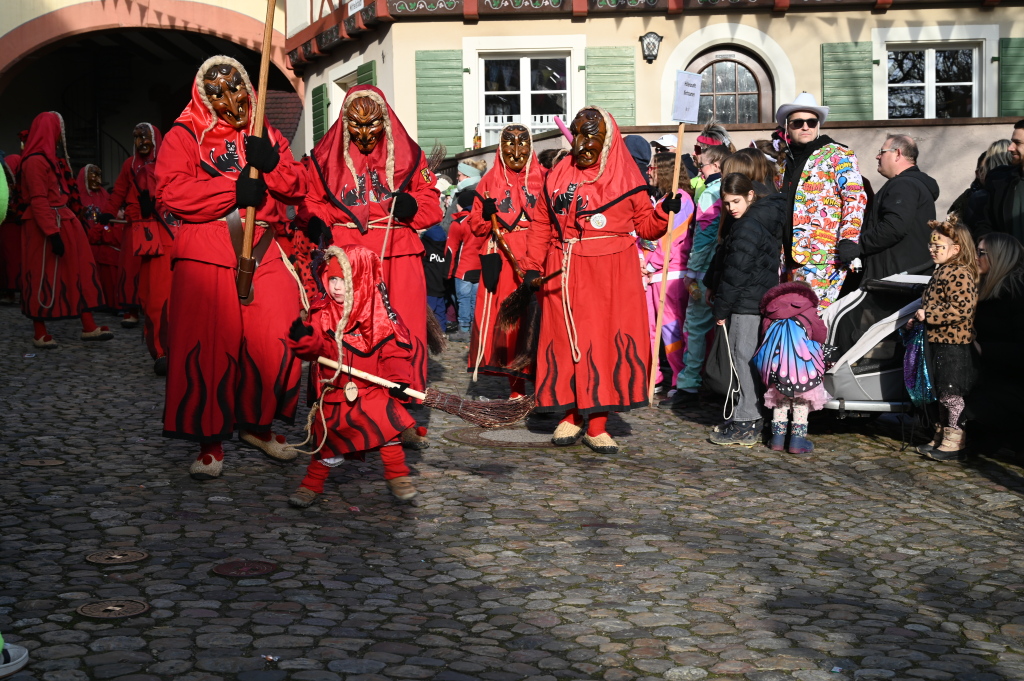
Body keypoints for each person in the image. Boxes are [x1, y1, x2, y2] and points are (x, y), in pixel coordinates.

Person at [156, 56, 307, 479]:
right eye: (217, 91)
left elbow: (299, 186)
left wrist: (273, 165)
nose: (229, 97)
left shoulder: (264, 131)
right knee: (210, 348)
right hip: (207, 252)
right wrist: (232, 188)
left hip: (263, 249)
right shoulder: (183, 135)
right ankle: (210, 441)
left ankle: (258, 425)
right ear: (204, 96)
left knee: (277, 336)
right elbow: (172, 192)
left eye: (236, 86)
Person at [523, 106, 678, 454]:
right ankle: (572, 413)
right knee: (567, 342)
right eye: (577, 133)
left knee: (604, 345)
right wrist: (532, 265)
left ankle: (597, 423)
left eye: (590, 134)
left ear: (606, 138)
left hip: (612, 274)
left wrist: (664, 212)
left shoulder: (626, 175)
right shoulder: (558, 173)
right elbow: (541, 224)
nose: (582, 142)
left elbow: (646, 227)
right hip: (564, 269)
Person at [302, 85, 442, 446]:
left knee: (403, 332)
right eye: (356, 126)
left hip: (397, 252)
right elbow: (310, 200)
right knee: (348, 333)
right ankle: (344, 411)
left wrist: (414, 207)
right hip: (347, 257)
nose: (364, 135)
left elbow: (431, 202)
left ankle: (401, 417)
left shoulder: (410, 155)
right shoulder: (323, 158)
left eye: (372, 126)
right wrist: (315, 222)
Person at [286, 245, 419, 507]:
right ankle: (311, 485)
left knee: (389, 432)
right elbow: (317, 350)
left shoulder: (379, 314)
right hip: (335, 392)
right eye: (332, 279)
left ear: (361, 280)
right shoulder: (322, 311)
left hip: (372, 391)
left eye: (343, 280)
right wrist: (304, 341)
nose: (336, 287)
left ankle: (398, 476)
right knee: (327, 442)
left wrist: (399, 380)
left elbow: (394, 353)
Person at [18, 111, 112, 348]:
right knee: (42, 275)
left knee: (77, 272)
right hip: (46, 226)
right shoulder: (34, 162)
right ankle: (39, 331)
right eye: (59, 131)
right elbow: (39, 200)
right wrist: (52, 232)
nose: (61, 137)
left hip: (64, 222)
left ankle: (88, 325)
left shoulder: (50, 160)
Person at [708, 173, 786, 446]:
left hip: (745, 302)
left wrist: (721, 310)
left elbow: (735, 273)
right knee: (745, 360)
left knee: (742, 361)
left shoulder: (747, 226)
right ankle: (747, 416)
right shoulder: (760, 218)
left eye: (736, 201)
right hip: (753, 298)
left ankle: (746, 421)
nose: (731, 208)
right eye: (727, 203)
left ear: (751, 195)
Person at [469, 124, 547, 397]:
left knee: (538, 320)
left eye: (522, 144)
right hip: (503, 259)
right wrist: (484, 215)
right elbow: (476, 226)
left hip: (538, 255)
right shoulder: (489, 181)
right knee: (510, 323)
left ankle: (544, 388)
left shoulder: (546, 178)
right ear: (500, 149)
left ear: (531, 146)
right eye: (509, 145)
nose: (516, 152)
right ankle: (516, 389)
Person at [778, 92, 867, 310]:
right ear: (788, 128)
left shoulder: (838, 154)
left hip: (824, 256)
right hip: (788, 258)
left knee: (813, 319)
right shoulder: (784, 163)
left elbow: (855, 196)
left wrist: (849, 239)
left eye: (811, 121)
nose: (805, 127)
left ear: (818, 125)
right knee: (794, 321)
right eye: (798, 122)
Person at [661, 144, 729, 409]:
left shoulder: (711, 193)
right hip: (720, 269)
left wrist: (691, 272)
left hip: (704, 272)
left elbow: (704, 237)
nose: (698, 170)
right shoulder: (726, 189)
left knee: (696, 328)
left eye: (702, 165)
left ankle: (689, 385)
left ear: (716, 166)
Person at [914, 217, 979, 460]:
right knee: (941, 392)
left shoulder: (959, 273)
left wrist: (929, 314)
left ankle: (955, 439)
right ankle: (942, 434)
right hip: (939, 340)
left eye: (938, 246)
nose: (932, 250)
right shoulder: (943, 271)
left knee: (951, 393)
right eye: (930, 245)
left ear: (956, 249)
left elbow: (962, 309)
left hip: (954, 344)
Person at [641, 152, 695, 395]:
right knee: (652, 328)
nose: (649, 171)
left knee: (672, 328)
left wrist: (652, 264)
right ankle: (656, 376)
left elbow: (672, 240)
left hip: (669, 275)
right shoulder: (663, 198)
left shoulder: (680, 199)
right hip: (655, 274)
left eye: (654, 167)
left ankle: (679, 378)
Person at [964, 233, 1024, 452]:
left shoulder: (1016, 293)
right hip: (985, 376)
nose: (975, 257)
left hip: (1009, 384)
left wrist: (982, 349)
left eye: (981, 253)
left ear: (999, 257)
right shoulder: (983, 287)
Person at [754, 282, 828, 454]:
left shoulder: (772, 310)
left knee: (781, 400)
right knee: (801, 401)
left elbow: (764, 335)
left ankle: (777, 440)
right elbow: (820, 334)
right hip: (802, 366)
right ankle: (797, 442)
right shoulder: (809, 310)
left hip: (776, 364)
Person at [854, 134, 939, 282]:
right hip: (905, 276)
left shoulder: (904, 184)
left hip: (896, 280)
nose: (877, 156)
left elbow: (893, 228)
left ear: (897, 153)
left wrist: (856, 244)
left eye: (882, 151)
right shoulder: (913, 184)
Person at [77, 164, 122, 312]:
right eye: (93, 175)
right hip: (84, 245)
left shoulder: (105, 196)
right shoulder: (77, 196)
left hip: (104, 244)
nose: (97, 179)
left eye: (99, 175)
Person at [975, 121, 1024, 239]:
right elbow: (983, 223)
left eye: (1017, 143)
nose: (1010, 148)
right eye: (1012, 142)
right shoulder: (999, 180)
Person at [446, 190, 483, 341]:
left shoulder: (459, 223)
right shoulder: (484, 221)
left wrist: (447, 273)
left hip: (464, 268)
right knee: (475, 299)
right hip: (481, 266)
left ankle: (464, 330)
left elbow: (451, 249)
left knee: (463, 299)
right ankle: (476, 329)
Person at [0, 151, 23, 305]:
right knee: (8, 260)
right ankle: (10, 292)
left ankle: (19, 293)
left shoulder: (21, 185)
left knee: (17, 261)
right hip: (7, 226)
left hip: (16, 226)